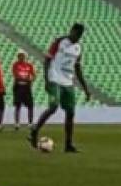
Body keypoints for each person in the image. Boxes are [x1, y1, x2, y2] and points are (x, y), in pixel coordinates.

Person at [28, 23, 90, 154]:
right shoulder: (59, 41)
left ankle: (68, 144)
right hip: (55, 79)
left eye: (80, 36)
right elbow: (47, 60)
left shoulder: (78, 48)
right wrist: (46, 79)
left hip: (68, 82)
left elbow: (78, 69)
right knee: (54, 106)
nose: (77, 37)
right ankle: (35, 131)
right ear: (72, 31)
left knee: (71, 113)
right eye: (76, 34)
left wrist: (85, 88)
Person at [11, 50, 36, 130]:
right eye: (20, 55)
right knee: (18, 105)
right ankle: (17, 123)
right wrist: (25, 79)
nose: (21, 57)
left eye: (22, 55)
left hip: (27, 87)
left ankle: (30, 122)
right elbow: (16, 75)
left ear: (25, 56)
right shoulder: (15, 65)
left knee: (30, 105)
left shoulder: (29, 65)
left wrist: (31, 81)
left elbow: (34, 75)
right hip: (19, 86)